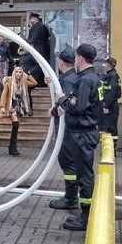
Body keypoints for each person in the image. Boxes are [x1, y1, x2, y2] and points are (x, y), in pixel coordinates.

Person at [55, 43, 103, 231]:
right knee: (83, 173)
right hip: (84, 132)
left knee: (84, 175)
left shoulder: (85, 80)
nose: (74, 59)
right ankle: (85, 212)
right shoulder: (92, 78)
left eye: (76, 56)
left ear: (80, 58)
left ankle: (86, 216)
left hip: (82, 134)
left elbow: (78, 106)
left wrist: (62, 99)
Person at [47, 47, 80, 210]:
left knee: (67, 162)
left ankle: (71, 198)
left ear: (60, 62)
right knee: (70, 162)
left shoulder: (68, 80)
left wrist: (53, 110)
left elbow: (64, 104)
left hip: (66, 129)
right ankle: (72, 196)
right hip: (69, 127)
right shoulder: (72, 77)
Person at [0, 66, 37, 156]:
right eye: (16, 72)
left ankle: (12, 147)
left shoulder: (24, 82)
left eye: (20, 72)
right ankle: (12, 147)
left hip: (20, 105)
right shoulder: (9, 82)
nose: (18, 74)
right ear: (14, 73)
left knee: (16, 126)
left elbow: (34, 83)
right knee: (15, 124)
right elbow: (4, 94)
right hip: (12, 105)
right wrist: (2, 106)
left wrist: (27, 75)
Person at [20, 12, 52, 84]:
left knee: (36, 64)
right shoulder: (43, 26)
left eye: (31, 18)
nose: (30, 20)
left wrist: (23, 41)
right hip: (43, 50)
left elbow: (32, 39)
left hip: (37, 50)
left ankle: (28, 73)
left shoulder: (36, 27)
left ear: (35, 18)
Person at [101, 57, 121, 151]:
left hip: (111, 106)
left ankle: (112, 149)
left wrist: (106, 106)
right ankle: (109, 149)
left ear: (109, 65)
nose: (104, 65)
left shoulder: (113, 76)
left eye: (105, 63)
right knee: (109, 127)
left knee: (111, 127)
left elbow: (112, 92)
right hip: (110, 105)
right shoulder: (110, 75)